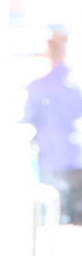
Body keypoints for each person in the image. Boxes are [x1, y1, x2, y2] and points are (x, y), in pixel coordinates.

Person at [22, 28, 82, 224]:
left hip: (51, 163)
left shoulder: (38, 87)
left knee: (52, 223)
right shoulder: (76, 85)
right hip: (77, 162)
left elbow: (28, 122)